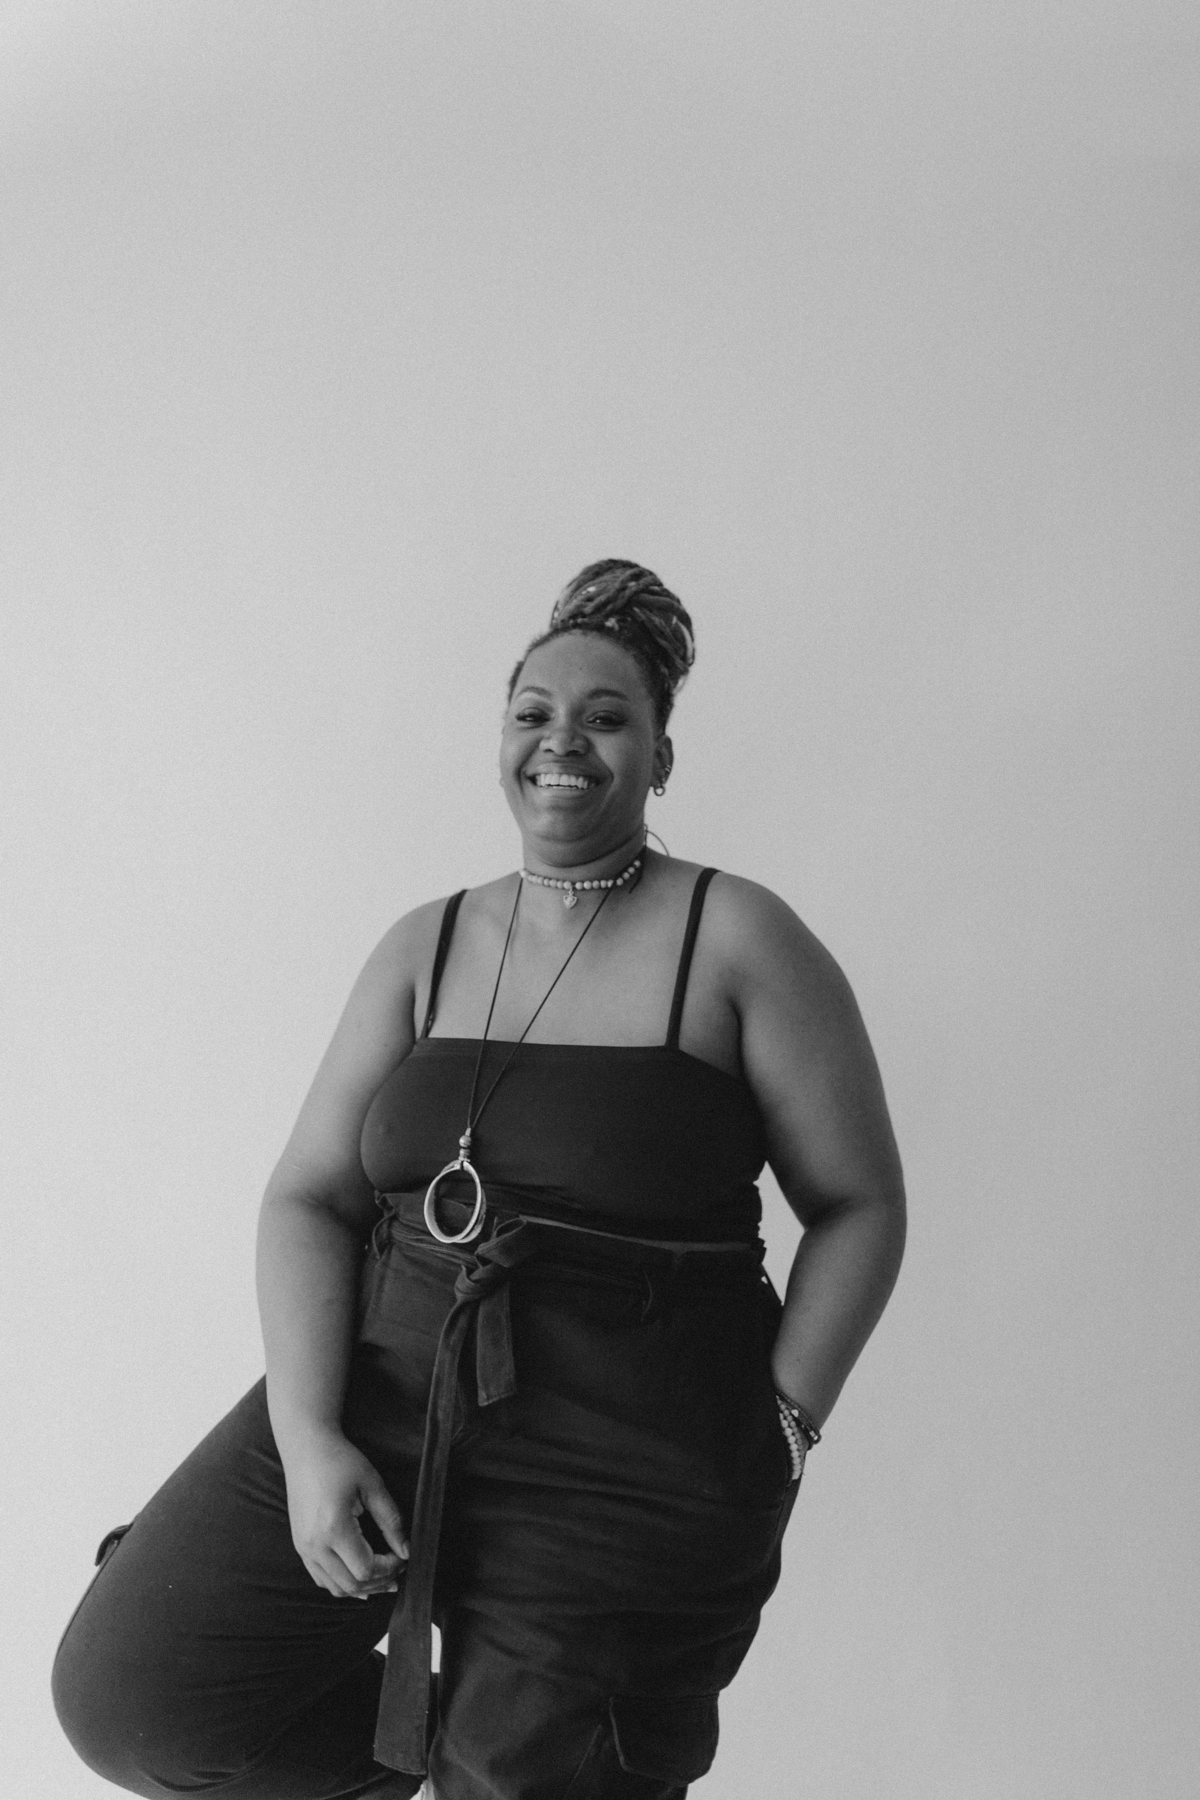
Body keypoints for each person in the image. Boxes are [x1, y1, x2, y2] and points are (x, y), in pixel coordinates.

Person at [53, 560, 906, 1800]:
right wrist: (308, 1437)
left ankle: (513, 1751)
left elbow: (860, 1203)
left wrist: (783, 1426)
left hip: (631, 1447)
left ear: (661, 757)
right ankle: (461, 1748)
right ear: (502, 740)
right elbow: (310, 1197)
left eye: (606, 717)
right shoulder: (426, 944)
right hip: (395, 1389)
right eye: (533, 713)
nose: (563, 741)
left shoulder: (737, 939)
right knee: (139, 1700)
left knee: (524, 1779)